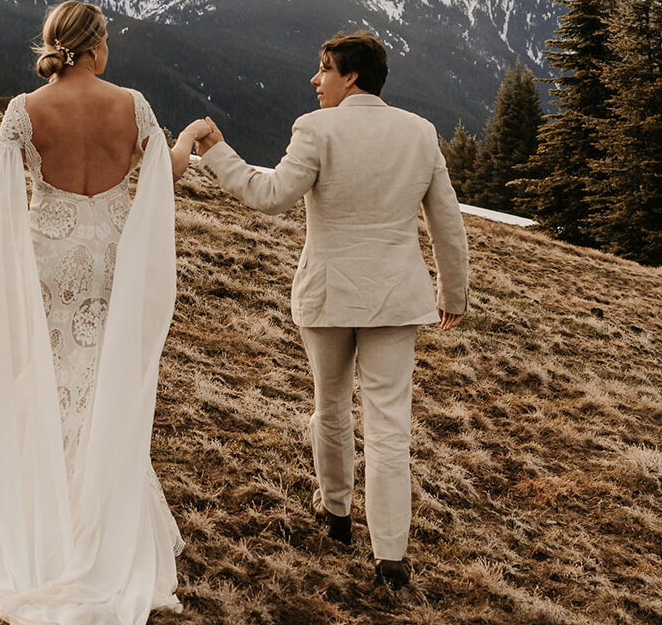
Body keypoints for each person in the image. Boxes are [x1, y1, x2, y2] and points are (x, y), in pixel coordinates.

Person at [0, 0, 211, 625]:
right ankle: (99, 522)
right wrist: (191, 138)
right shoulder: (133, 106)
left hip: (50, 260)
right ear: (96, 47)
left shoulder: (26, 109)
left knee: (49, 382)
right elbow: (168, 171)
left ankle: (53, 518)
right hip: (110, 262)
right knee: (103, 382)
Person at [194, 31, 468, 589]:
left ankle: (336, 514)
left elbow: (269, 197)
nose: (314, 80)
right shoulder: (420, 133)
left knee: (332, 407)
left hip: (328, 296)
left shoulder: (316, 130)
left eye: (323, 70)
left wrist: (216, 152)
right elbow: (447, 222)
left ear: (352, 77)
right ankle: (391, 558)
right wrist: (452, 293)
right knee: (390, 428)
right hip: (396, 299)